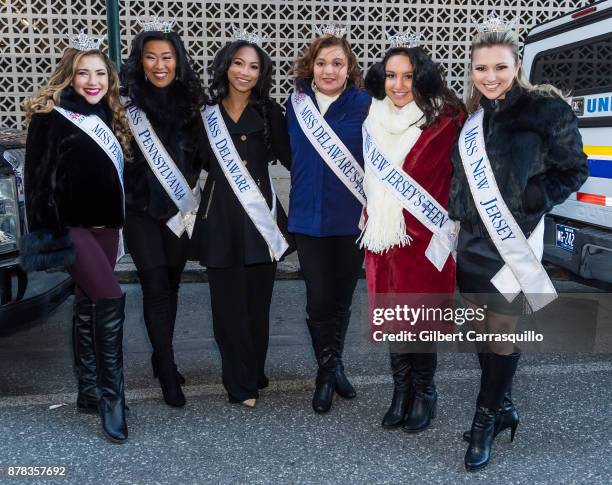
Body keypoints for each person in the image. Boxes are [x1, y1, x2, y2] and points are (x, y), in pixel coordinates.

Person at [448, 16, 589, 471]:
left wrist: (533, 198)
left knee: (501, 335)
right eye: (481, 68)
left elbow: (574, 170)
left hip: (513, 242)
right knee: (482, 335)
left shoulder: (546, 110)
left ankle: (485, 419)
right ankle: (504, 407)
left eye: (500, 68)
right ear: (472, 71)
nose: (490, 77)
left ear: (517, 66)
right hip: (472, 244)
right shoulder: (474, 119)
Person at [21, 36, 132, 443]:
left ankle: (88, 388)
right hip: (72, 227)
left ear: (109, 79)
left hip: (107, 227)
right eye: (83, 72)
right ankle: (112, 399)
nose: (92, 80)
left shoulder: (109, 114)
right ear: (69, 75)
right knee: (109, 296)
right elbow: (37, 181)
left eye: (100, 73)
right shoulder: (51, 116)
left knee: (88, 303)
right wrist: (49, 235)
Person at [360, 37, 465, 433]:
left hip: (425, 237)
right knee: (394, 319)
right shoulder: (372, 117)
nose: (398, 85)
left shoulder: (446, 119)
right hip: (384, 239)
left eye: (408, 76)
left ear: (422, 78)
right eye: (390, 76)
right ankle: (400, 391)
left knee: (420, 321)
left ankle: (425, 393)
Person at [191, 33, 292, 408]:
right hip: (219, 221)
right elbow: (193, 163)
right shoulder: (205, 115)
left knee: (256, 308)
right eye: (238, 63)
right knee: (227, 308)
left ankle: (253, 369)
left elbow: (293, 159)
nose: (245, 72)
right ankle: (240, 384)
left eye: (253, 66)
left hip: (260, 222)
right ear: (225, 67)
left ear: (262, 73)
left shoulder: (272, 114)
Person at [120, 20, 208, 407]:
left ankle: (161, 355)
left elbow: (203, 157)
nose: (159, 65)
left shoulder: (193, 102)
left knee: (171, 284)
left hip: (179, 211)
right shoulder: (123, 105)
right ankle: (169, 372)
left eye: (166, 57)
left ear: (178, 61)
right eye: (150, 57)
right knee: (155, 284)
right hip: (139, 210)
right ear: (139, 62)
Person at [286, 28, 371, 413]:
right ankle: (327, 373)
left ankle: (332, 367)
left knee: (341, 299)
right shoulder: (295, 104)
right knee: (317, 299)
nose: (329, 71)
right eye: (321, 63)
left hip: (350, 219)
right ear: (311, 66)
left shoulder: (365, 104)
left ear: (349, 67)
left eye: (337, 63)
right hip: (307, 220)